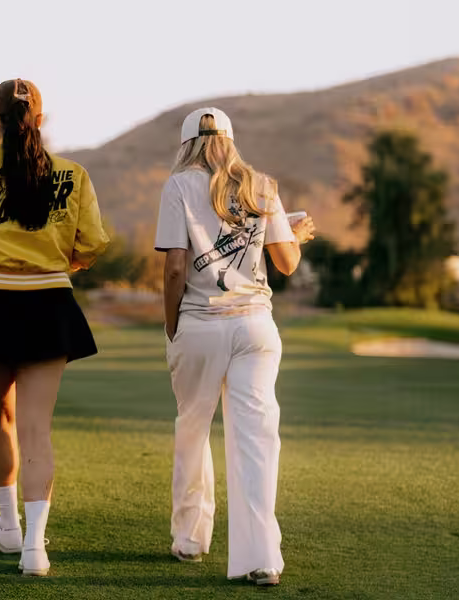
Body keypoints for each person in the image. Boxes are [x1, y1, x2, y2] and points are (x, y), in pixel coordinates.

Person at [0, 78, 108, 577]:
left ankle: (8, 526)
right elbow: (92, 243)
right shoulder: (73, 174)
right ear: (41, 120)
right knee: (37, 429)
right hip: (49, 302)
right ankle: (34, 548)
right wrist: (55, 263)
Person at [154, 107, 316, 587]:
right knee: (257, 441)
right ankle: (261, 557)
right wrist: (295, 234)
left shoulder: (178, 186)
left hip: (201, 325)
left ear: (187, 145)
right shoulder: (262, 185)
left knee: (193, 428)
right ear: (229, 139)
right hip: (256, 327)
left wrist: (171, 326)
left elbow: (175, 270)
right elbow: (286, 263)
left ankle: (190, 538)